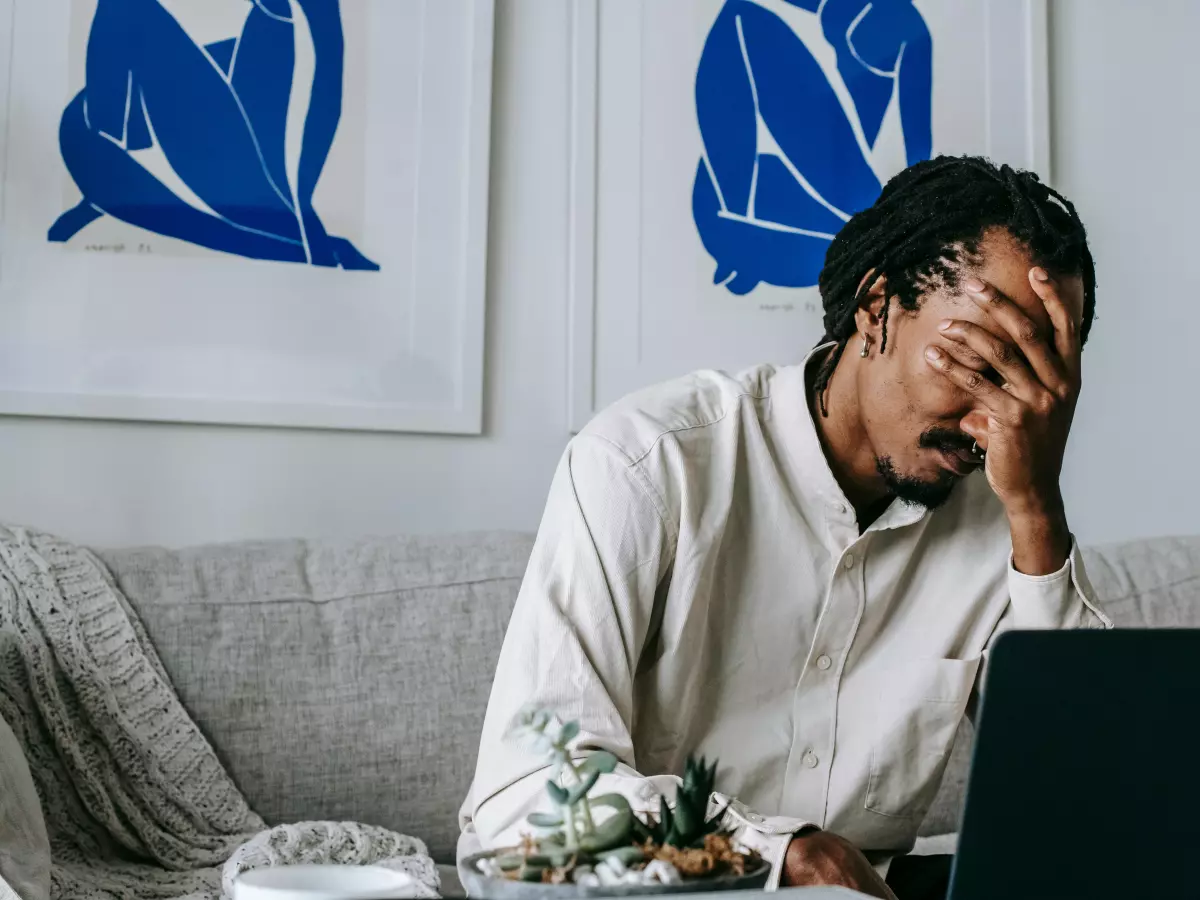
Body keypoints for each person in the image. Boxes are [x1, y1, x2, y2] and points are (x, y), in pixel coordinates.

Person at [459, 156, 1111, 900]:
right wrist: (784, 854)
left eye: (1032, 386)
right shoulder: (647, 464)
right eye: (979, 363)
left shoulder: (1008, 505)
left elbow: (1088, 805)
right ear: (877, 307)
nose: (989, 422)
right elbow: (530, 789)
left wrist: (1037, 509)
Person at [49, 0, 378, 270]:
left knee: (128, 9)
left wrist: (306, 237)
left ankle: (115, 157)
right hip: (238, 165)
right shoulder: (283, 20)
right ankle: (118, 157)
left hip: (248, 182)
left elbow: (300, 134)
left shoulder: (304, 28)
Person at [694, 0, 932, 293]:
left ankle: (739, 224)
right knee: (738, 20)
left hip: (846, 182)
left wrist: (910, 235)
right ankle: (743, 231)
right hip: (831, 177)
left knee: (740, 19)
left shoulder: (908, 28)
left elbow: (918, 145)